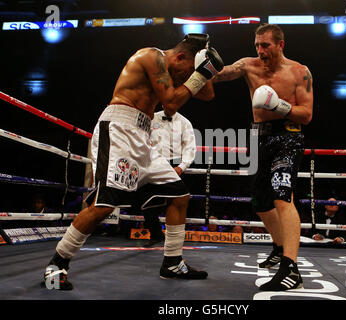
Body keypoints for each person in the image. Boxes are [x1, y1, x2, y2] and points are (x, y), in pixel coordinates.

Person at [43, 33, 224, 290]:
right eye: (185, 72)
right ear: (181, 56)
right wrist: (197, 74)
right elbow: (171, 104)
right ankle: (56, 264)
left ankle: (172, 263)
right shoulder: (152, 57)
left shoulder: (176, 69)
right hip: (119, 129)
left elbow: (207, 94)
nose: (184, 79)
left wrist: (206, 70)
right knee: (103, 206)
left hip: (144, 136)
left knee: (180, 195)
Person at [214, 24, 313, 291]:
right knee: (260, 201)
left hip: (288, 136)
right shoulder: (248, 65)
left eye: (265, 45)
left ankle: (291, 268)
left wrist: (280, 106)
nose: (260, 50)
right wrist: (205, 63)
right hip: (258, 137)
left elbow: (306, 115)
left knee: (283, 196)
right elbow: (222, 74)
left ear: (280, 45)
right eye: (257, 45)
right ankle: (280, 247)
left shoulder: (299, 72)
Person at [142, 107, 197, 246]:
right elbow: (141, 139)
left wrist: (182, 166)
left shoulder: (185, 122)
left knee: (175, 202)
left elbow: (189, 147)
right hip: (153, 162)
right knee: (147, 201)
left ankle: (174, 240)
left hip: (175, 162)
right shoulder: (151, 118)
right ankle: (155, 234)